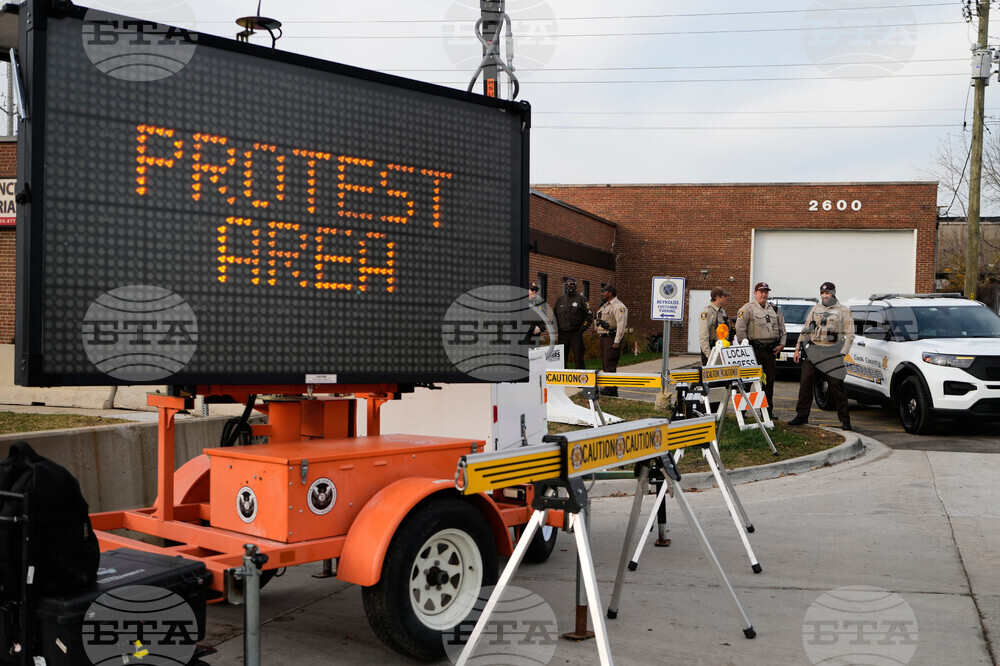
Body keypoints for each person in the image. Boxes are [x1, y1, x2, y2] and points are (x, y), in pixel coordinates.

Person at [789, 282, 855, 430]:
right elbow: (806, 329)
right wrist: (797, 348)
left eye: (828, 293)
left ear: (833, 293)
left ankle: (845, 420)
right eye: (823, 293)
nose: (825, 296)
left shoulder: (843, 311)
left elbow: (850, 335)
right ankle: (801, 416)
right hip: (814, 351)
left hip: (832, 352)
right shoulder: (815, 309)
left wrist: (843, 353)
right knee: (805, 384)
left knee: (837, 386)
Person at [734, 282, 785, 420]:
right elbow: (740, 329)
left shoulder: (774, 309)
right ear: (755, 293)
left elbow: (782, 328)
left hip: (770, 352)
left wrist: (782, 344)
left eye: (766, 292)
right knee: (746, 382)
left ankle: (767, 412)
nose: (764, 294)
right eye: (761, 292)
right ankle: (742, 412)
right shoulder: (747, 308)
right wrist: (745, 348)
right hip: (753, 351)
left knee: (768, 383)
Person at [596, 284, 628, 396]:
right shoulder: (605, 305)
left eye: (604, 292)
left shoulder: (618, 306)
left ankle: (610, 389)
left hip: (611, 338)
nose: (602, 294)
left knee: (609, 364)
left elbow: (621, 324)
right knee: (605, 364)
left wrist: (616, 341)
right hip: (604, 338)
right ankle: (610, 388)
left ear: (610, 293)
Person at [554, 278, 593, 369]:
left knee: (578, 357)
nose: (568, 286)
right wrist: (558, 329)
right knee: (561, 358)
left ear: (575, 285)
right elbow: (554, 316)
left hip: (576, 333)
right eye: (567, 284)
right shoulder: (560, 300)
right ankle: (562, 378)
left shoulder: (582, 299)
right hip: (563, 333)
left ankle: (581, 379)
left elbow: (589, 316)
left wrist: (581, 329)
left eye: (571, 284)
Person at [698, 287, 729, 365]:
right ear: (717, 297)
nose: (726, 298)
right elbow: (703, 336)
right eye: (724, 296)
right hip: (712, 351)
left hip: (722, 350)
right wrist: (709, 355)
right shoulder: (707, 312)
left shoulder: (722, 312)